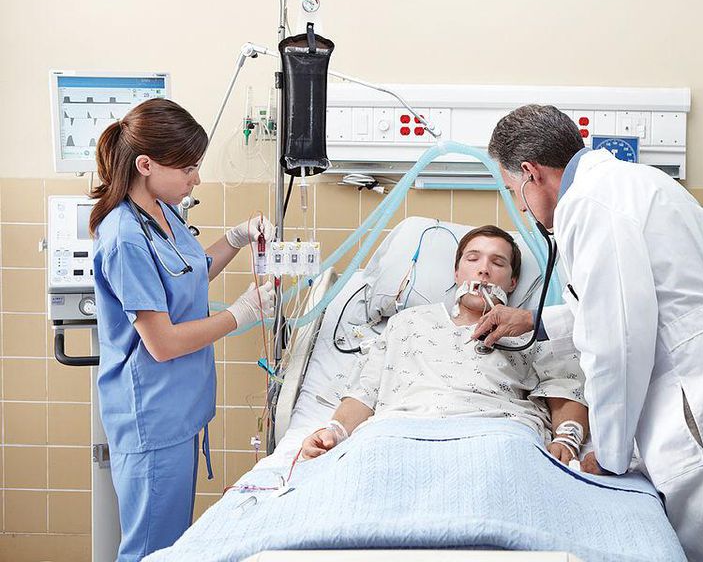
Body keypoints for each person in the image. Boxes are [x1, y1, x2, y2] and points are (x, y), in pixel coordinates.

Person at [472, 105, 703, 562]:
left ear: (531, 173)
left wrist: (609, 454)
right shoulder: (641, 181)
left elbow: (616, 343)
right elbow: (639, 303)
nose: (522, 207)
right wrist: (534, 320)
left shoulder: (588, 205)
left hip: (700, 395)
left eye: (515, 192)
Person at [90, 98, 277, 561]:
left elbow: (186, 274)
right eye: (189, 169)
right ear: (146, 165)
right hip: (151, 417)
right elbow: (163, 343)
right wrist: (241, 314)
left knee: (171, 542)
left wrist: (234, 239)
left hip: (178, 410)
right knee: (150, 550)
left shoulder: (162, 210)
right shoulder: (124, 238)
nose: (196, 179)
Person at [301, 225, 592, 468]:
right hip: (399, 433)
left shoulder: (532, 330)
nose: (484, 270)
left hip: (499, 437)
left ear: (513, 282)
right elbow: (365, 390)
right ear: (456, 273)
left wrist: (567, 438)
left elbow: (565, 387)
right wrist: (335, 431)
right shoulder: (407, 323)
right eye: (473, 259)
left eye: (497, 263)